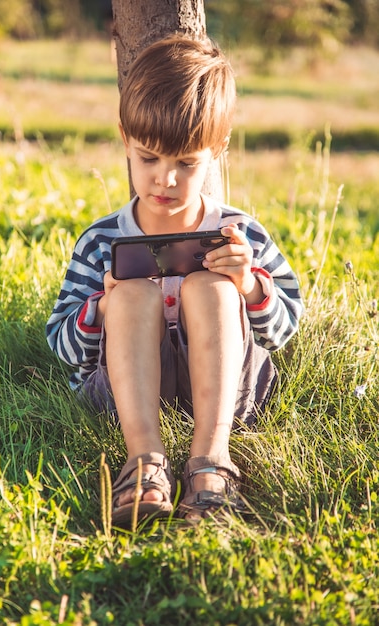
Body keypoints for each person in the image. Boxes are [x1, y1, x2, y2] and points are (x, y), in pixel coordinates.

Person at [46, 35, 303, 526]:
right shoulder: (100, 241)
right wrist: (101, 308)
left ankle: (211, 460)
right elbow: (61, 346)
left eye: (186, 164)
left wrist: (249, 284)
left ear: (217, 150)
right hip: (126, 395)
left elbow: (284, 330)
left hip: (230, 392)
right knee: (128, 295)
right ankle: (144, 462)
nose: (165, 180)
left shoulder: (239, 232)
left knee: (210, 286)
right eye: (149, 159)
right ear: (125, 138)